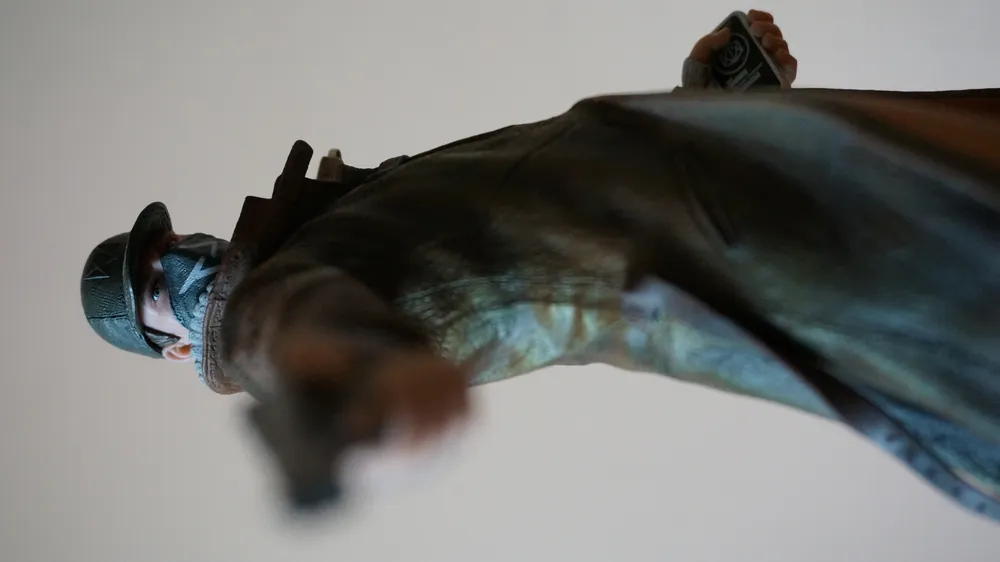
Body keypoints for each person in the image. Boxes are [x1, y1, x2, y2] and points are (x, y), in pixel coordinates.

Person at [80, 10, 1000, 522]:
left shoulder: (339, 220)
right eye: (157, 284)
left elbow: (549, 192)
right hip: (730, 243)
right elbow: (297, 333)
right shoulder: (262, 311)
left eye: (169, 247)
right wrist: (360, 392)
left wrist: (707, 106)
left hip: (726, 175)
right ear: (175, 348)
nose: (183, 263)